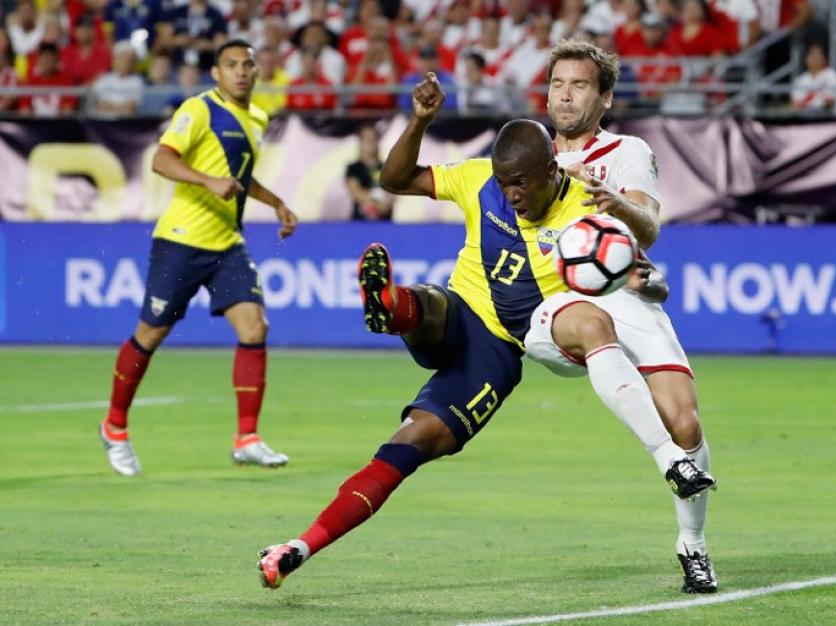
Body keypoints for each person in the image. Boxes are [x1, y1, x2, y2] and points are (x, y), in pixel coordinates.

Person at [256, 72, 714, 590]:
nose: (511, 194)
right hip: (459, 312)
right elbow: (395, 179)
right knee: (432, 304)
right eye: (504, 183)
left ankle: (298, 548)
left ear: (551, 170)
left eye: (522, 183)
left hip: (495, 356)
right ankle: (391, 306)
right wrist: (419, 121)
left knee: (408, 445)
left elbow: (640, 273)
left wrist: (645, 281)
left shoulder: (587, 213)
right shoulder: (479, 179)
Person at [522, 38, 720, 593]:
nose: (565, 96)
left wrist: (618, 204)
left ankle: (693, 544)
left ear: (605, 97)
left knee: (686, 423)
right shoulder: (528, 156)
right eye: (558, 84)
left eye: (580, 85)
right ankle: (668, 461)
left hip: (624, 294)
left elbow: (648, 228)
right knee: (589, 326)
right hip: (555, 300)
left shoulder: (627, 151)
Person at [98, 39, 298, 477]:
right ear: (216, 73)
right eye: (231, 65)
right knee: (151, 333)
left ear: (256, 72)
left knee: (255, 326)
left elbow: (240, 176)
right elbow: (161, 159)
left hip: (227, 242)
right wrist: (207, 180)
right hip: (182, 240)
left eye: (247, 64)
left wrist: (277, 203)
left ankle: (247, 439)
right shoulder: (200, 109)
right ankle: (114, 426)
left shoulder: (258, 117)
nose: (241, 71)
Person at [344, 124, 394, 220]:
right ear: (360, 142)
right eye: (366, 138)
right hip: (360, 223)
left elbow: (392, 195)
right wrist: (377, 200)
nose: (370, 142)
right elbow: (356, 193)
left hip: (385, 223)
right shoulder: (353, 168)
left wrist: (383, 205)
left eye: (373, 138)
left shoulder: (387, 168)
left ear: (378, 140)